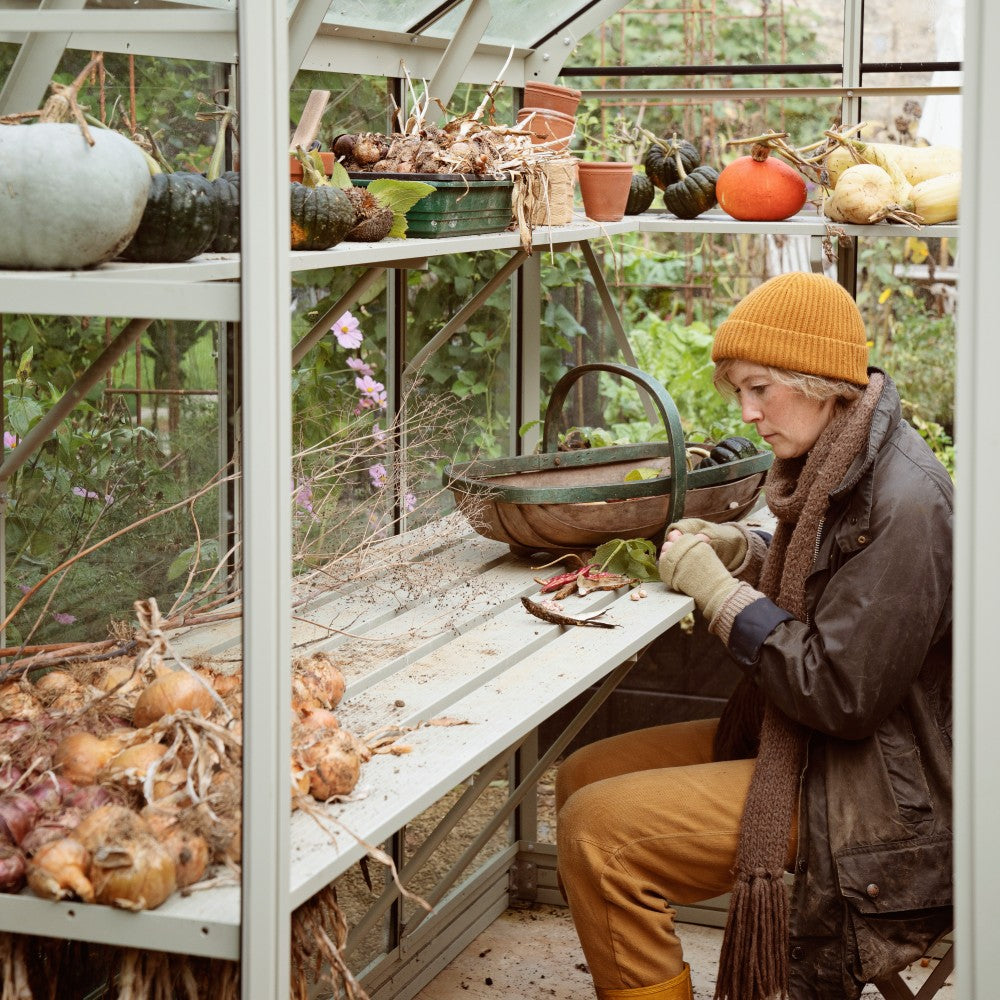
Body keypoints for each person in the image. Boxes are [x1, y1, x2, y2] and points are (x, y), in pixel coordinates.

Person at [556, 272, 952, 1000]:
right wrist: (745, 551)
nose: (748, 411)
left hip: (882, 791)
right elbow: (832, 589)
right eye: (738, 390)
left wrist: (719, 594)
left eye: (760, 388)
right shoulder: (840, 458)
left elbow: (839, 692)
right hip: (830, 753)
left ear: (820, 379)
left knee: (597, 831)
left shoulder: (906, 502)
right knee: (583, 774)